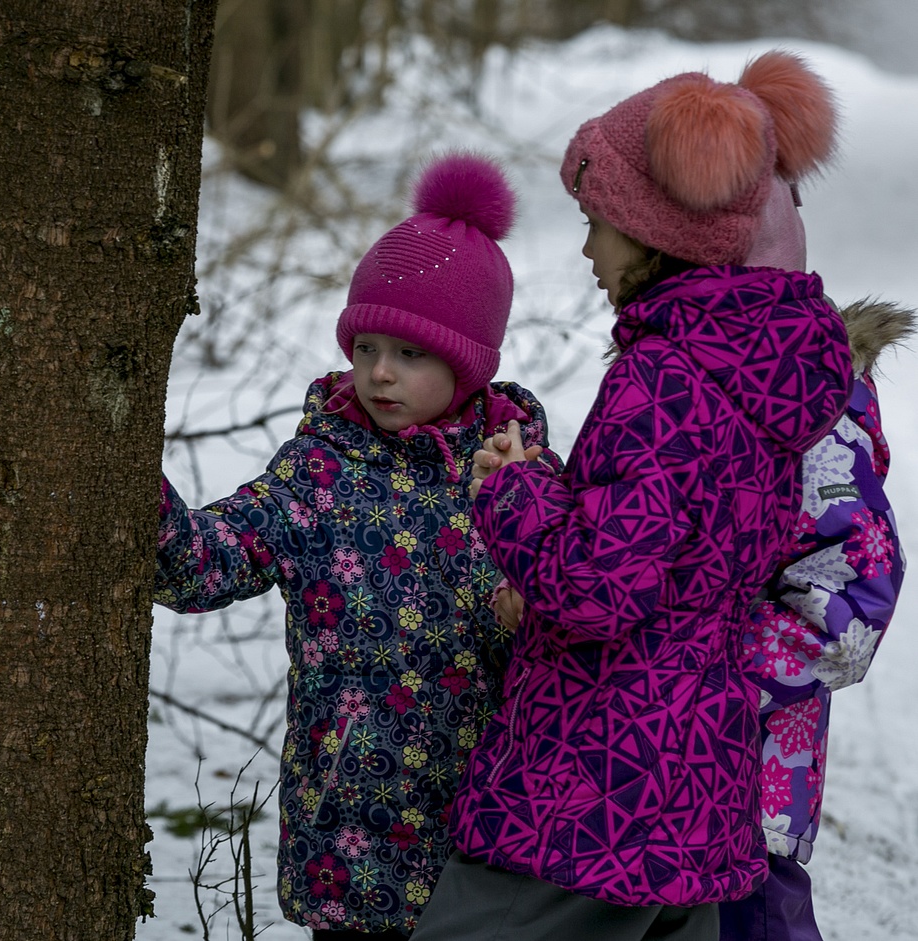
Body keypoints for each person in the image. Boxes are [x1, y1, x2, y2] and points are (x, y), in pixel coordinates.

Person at [410, 51, 853, 941]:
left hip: (594, 778)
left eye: (597, 220)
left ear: (658, 234)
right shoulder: (757, 378)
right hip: (698, 775)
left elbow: (601, 585)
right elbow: (681, 545)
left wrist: (514, 492)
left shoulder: (664, 377)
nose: (584, 248)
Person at [153, 152, 558, 939]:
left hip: (490, 829)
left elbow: (583, 600)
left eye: (411, 354)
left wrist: (531, 608)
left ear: (469, 363)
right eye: (367, 346)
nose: (380, 373)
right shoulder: (319, 468)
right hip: (350, 832)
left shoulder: (520, 476)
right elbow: (211, 558)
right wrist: (139, 500)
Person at [716, 178, 913, 941]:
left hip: (746, 781)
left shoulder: (813, 410)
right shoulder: (677, 383)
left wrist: (711, 676)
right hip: (665, 779)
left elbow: (852, 599)